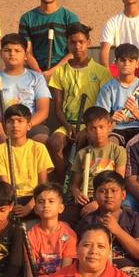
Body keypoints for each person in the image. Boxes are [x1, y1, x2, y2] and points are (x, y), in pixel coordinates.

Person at [47, 23, 111, 173]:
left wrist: (88, 128)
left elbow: (104, 108)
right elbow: (58, 107)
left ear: (88, 42)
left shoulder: (101, 72)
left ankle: (85, 181)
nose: (77, 46)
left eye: (81, 42)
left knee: (90, 140)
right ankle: (64, 181)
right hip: (68, 124)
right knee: (54, 143)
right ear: (67, 44)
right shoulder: (60, 72)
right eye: (73, 42)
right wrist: (67, 126)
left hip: (91, 124)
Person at [0, 35, 53, 160]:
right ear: (1, 54)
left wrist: (24, 127)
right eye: (7, 50)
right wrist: (1, 134)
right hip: (1, 126)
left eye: (17, 51)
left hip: (31, 125)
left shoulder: (36, 78)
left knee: (42, 141)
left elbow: (43, 111)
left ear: (25, 55)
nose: (12, 54)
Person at [77, 171, 139, 277]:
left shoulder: (133, 218)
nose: (108, 195)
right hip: (96, 271)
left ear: (123, 195)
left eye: (114, 191)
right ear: (94, 196)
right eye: (102, 191)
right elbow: (81, 255)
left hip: (128, 272)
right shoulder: (87, 221)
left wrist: (117, 230)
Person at [0, 104, 54, 214]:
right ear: (4, 126)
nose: (15, 125)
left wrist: (29, 207)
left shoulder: (39, 148)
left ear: (29, 125)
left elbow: (43, 184)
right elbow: (5, 187)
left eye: (20, 121)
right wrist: (12, 204)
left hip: (35, 198)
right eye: (10, 121)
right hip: (11, 198)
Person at [18, 0, 81, 75]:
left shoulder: (70, 18)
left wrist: (52, 71)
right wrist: (39, 73)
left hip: (65, 71)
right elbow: (27, 52)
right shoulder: (27, 19)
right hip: (36, 73)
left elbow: (74, 51)